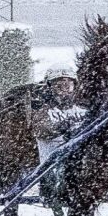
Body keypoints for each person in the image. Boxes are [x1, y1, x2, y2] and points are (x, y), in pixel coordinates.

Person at [32, 66, 85, 207]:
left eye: (68, 85)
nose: (64, 90)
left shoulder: (83, 110)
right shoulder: (43, 111)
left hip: (82, 159)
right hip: (53, 163)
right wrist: (62, 127)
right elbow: (41, 129)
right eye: (59, 86)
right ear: (50, 88)